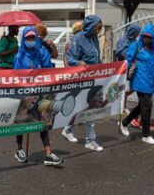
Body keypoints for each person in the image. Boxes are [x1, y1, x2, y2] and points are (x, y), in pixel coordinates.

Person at [13, 26, 63, 166]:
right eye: (28, 38)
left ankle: (48, 154)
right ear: (24, 39)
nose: (31, 40)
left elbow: (48, 69)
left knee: (43, 123)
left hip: (41, 93)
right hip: (25, 95)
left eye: (33, 37)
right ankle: (19, 150)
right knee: (21, 123)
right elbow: (16, 76)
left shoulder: (41, 52)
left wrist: (43, 57)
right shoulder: (19, 56)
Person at [119, 24, 154, 144]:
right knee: (147, 106)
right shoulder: (135, 46)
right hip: (139, 81)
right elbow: (128, 61)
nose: (147, 38)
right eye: (145, 36)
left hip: (150, 82)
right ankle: (146, 135)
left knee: (142, 106)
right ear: (141, 36)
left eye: (149, 37)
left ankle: (124, 123)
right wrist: (120, 75)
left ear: (153, 38)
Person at [63, 15, 104, 152]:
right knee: (80, 107)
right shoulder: (78, 38)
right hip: (82, 78)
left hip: (94, 77)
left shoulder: (95, 38)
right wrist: (79, 63)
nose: (99, 31)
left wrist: (103, 68)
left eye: (100, 29)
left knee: (91, 108)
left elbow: (96, 57)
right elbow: (70, 57)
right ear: (91, 26)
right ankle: (70, 130)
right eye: (97, 28)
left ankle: (89, 139)